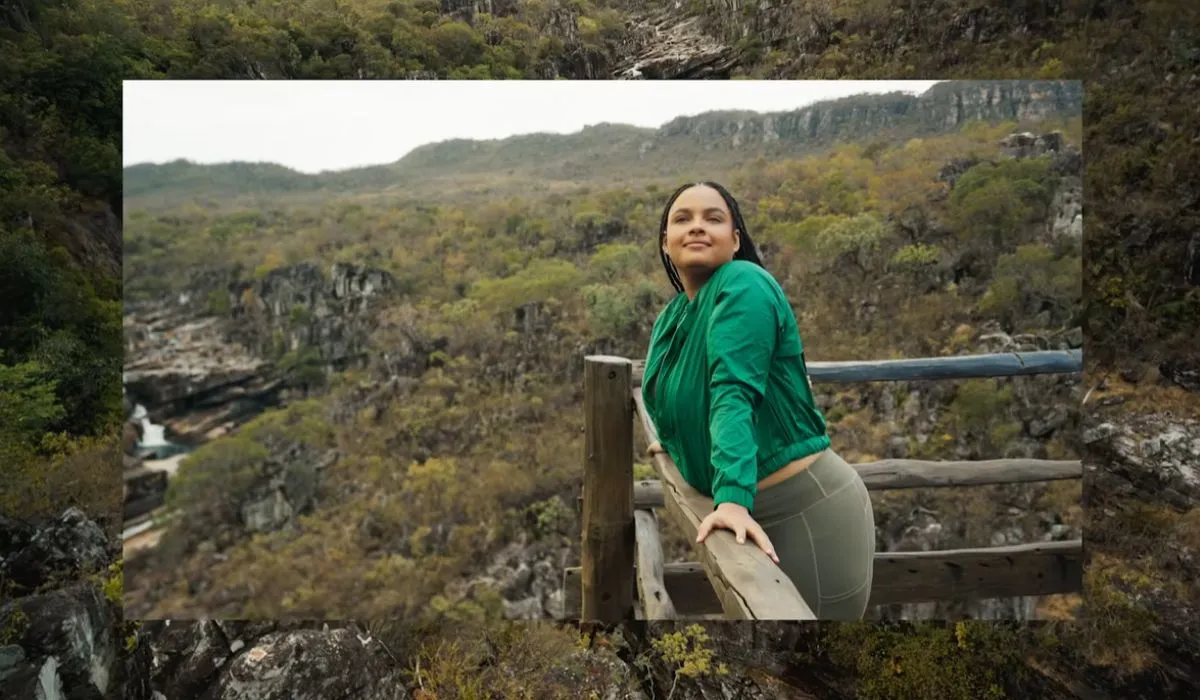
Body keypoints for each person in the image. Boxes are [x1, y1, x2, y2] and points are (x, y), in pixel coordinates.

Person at [641, 181, 876, 620]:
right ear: (666, 242)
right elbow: (673, 394)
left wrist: (731, 500)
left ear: (734, 241)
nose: (697, 227)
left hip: (805, 512)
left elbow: (733, 391)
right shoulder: (674, 315)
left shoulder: (744, 284)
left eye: (713, 218)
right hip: (754, 514)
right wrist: (676, 442)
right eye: (682, 219)